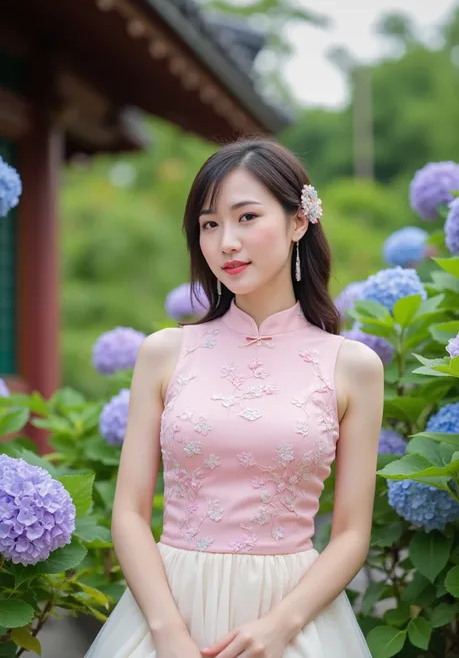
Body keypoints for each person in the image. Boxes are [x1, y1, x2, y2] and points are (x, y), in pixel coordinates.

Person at [85, 138, 384, 658]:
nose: (226, 241)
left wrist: (277, 627)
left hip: (291, 616)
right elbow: (130, 512)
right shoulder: (165, 353)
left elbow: (353, 533)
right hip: (169, 607)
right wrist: (167, 632)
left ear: (298, 222)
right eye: (209, 224)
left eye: (246, 217)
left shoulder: (352, 367)